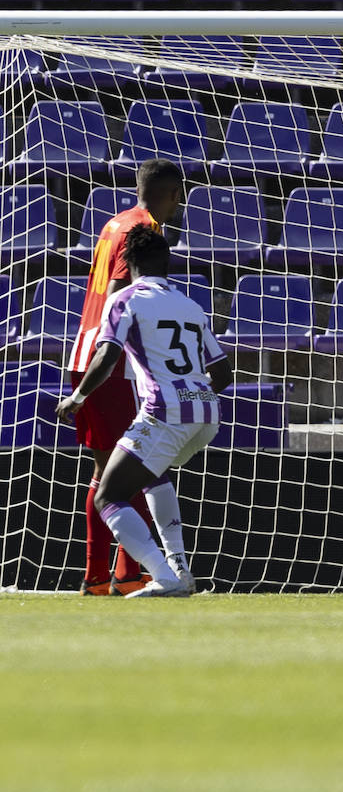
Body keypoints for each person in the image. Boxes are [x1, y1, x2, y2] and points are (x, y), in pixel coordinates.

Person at [57, 225, 232, 598]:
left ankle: (163, 575)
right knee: (154, 475)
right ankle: (180, 569)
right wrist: (194, 396)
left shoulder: (125, 299)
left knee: (108, 495)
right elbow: (223, 372)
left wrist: (79, 397)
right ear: (167, 262)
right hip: (206, 413)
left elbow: (107, 355)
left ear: (127, 261)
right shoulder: (190, 304)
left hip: (164, 411)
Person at [67, 158, 184, 595]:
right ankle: (115, 573)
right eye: (178, 197)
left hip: (87, 349)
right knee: (131, 465)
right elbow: (121, 293)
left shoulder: (114, 222)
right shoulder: (147, 229)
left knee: (109, 469)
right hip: (112, 361)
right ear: (172, 193)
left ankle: (112, 574)